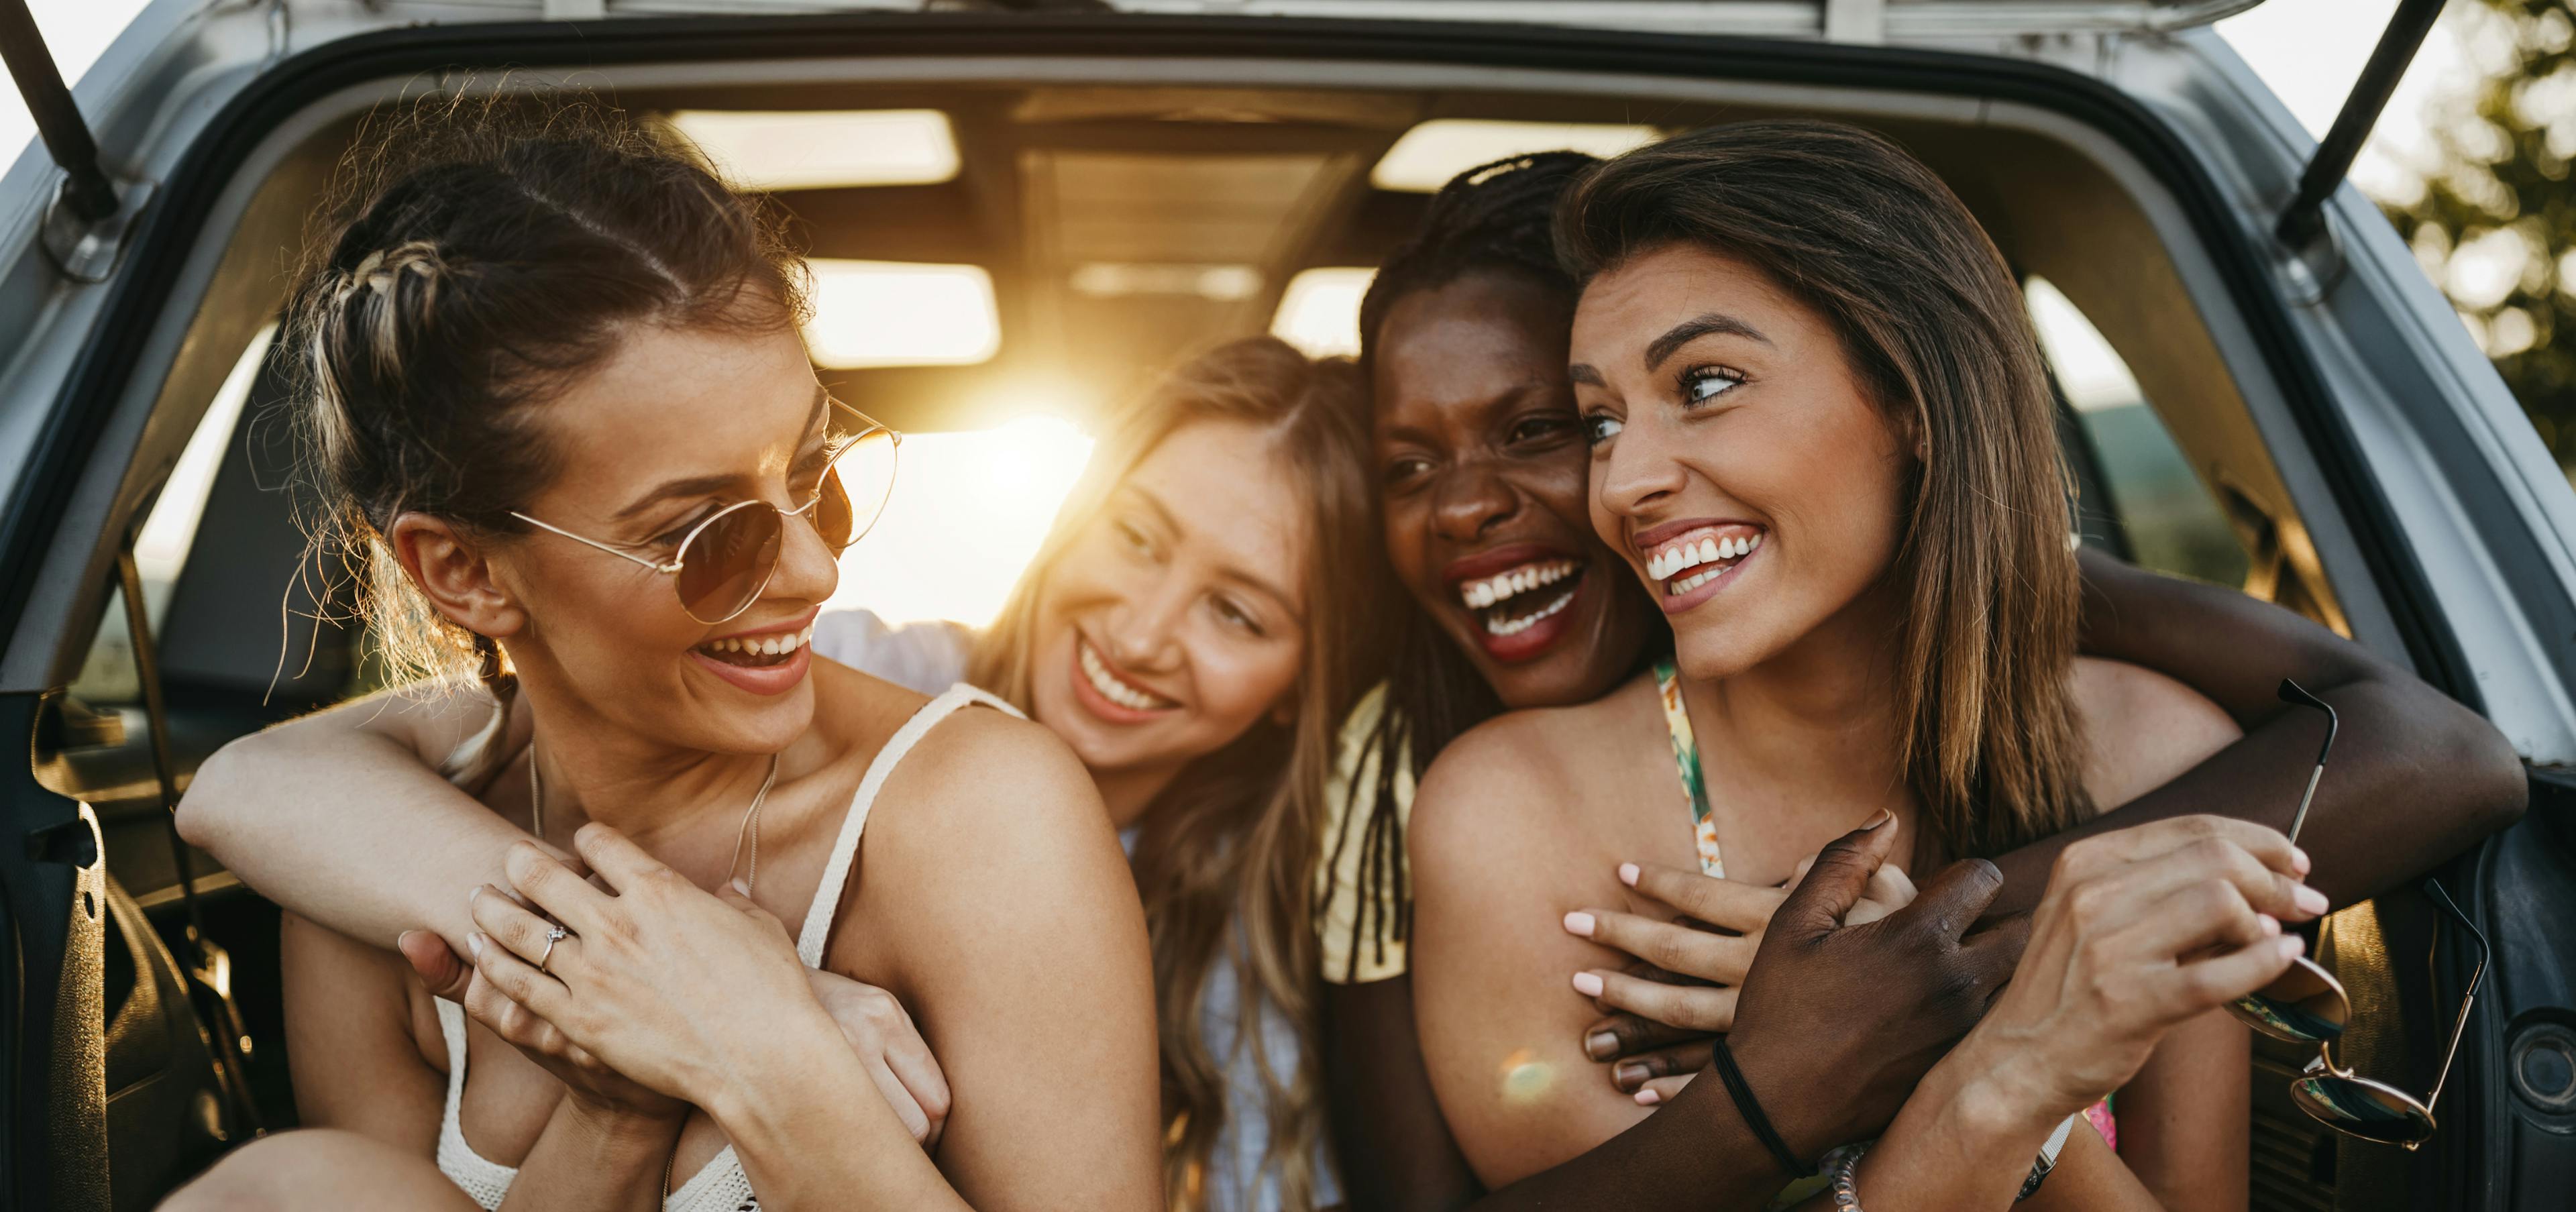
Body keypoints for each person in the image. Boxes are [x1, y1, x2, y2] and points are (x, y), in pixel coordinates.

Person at [172, 117, 1377, 1206]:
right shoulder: (380, 860)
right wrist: (625, 1044)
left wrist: (763, 1040)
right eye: (706, 532)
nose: (813, 573)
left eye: (814, 475)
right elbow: (247, 783)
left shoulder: (986, 809)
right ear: (464, 574)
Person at [1315, 150, 2524, 1211]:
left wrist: (1980, 1021)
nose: (1623, 479)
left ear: (1913, 398)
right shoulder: (1509, 811)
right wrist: (1905, 1066)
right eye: (1597, 421)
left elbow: (2453, 757)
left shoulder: (2159, 755)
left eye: (1705, 384)